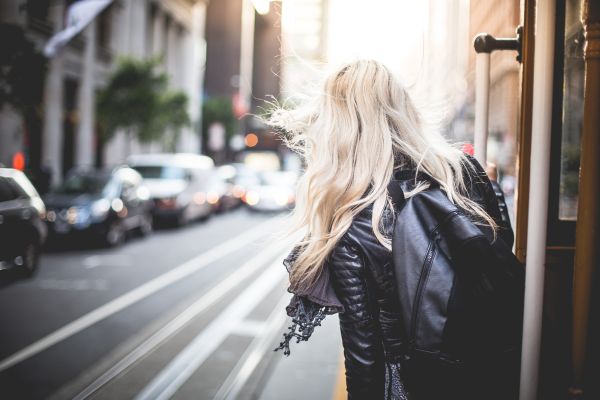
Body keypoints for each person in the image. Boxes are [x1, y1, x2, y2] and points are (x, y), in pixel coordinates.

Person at [270, 60, 515, 399]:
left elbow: (364, 356)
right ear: (401, 110)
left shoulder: (350, 219)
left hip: (412, 382)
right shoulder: (463, 171)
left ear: (338, 126)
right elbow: (500, 248)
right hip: (492, 365)